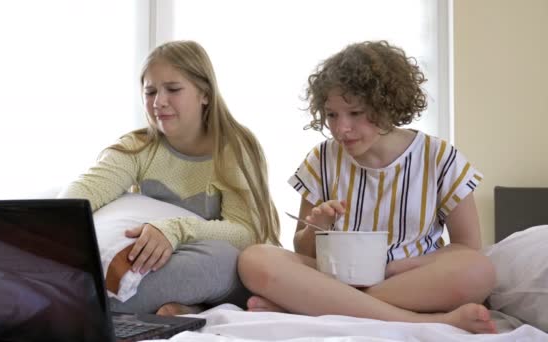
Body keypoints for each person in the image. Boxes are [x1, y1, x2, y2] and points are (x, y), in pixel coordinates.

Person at [237, 40, 497, 334]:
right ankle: (423, 321)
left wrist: (399, 267)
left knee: (479, 269)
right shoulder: (321, 158)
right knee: (254, 258)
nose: (340, 128)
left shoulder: (440, 157)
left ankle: (317, 305)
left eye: (355, 113)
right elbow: (304, 250)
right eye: (332, 115)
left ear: (387, 105)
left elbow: (467, 247)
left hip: (410, 281)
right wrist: (316, 227)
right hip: (335, 277)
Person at [59, 40, 280, 316]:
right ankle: (187, 307)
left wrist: (175, 230)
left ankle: (83, 306)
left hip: (215, 265)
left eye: (173, 90)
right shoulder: (138, 146)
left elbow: (246, 233)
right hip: (156, 267)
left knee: (224, 259)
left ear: (205, 94)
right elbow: (88, 190)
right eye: (150, 91)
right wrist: (47, 230)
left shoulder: (235, 148)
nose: (159, 102)